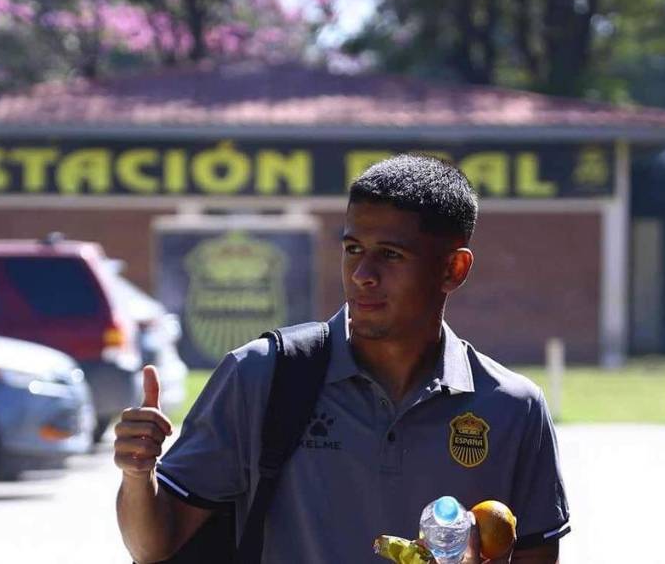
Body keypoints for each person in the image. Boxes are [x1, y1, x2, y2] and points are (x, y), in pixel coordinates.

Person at [115, 155, 570, 564]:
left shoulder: (514, 409)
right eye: (353, 249)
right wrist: (138, 475)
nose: (362, 274)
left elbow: (537, 554)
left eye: (390, 255)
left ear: (454, 269)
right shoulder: (261, 374)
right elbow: (153, 545)